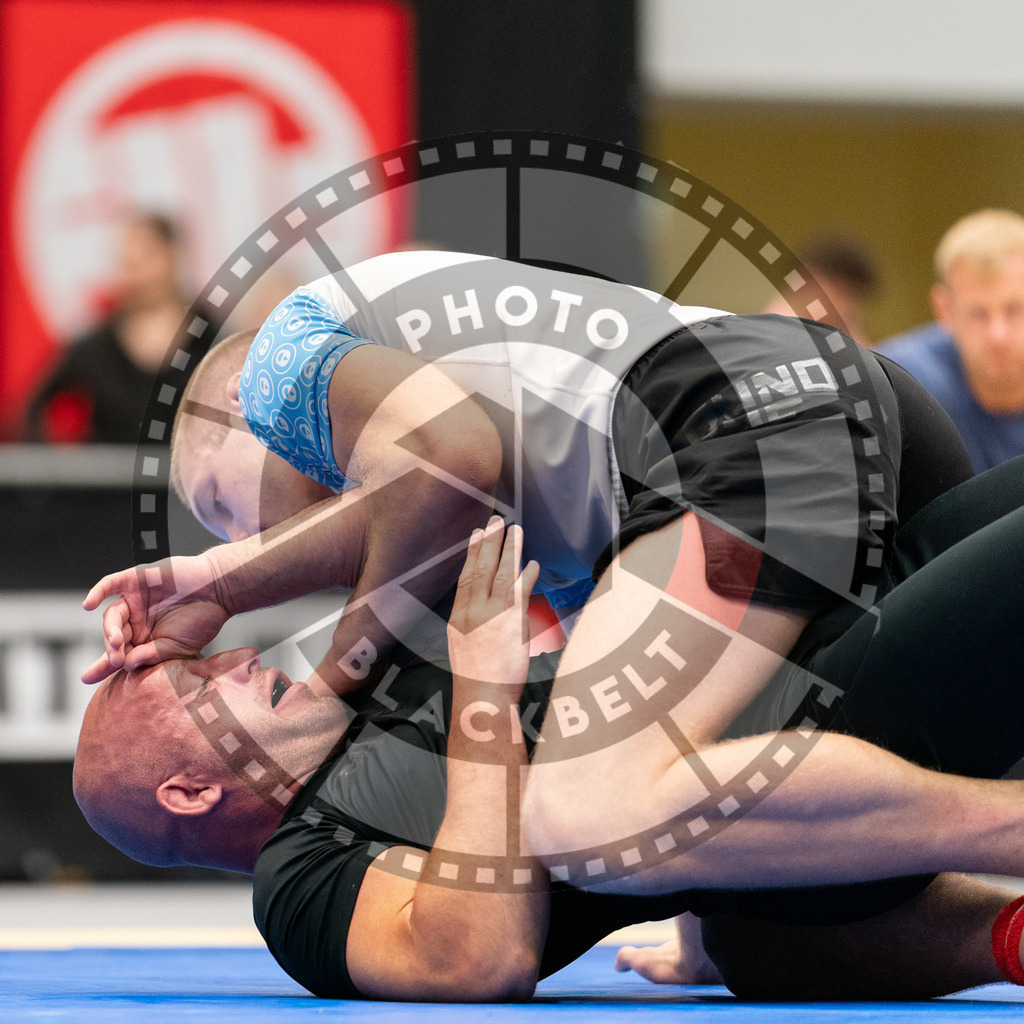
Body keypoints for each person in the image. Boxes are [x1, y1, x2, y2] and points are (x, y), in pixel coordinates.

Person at [86, 251, 1017, 958]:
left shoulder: (284, 369)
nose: (230, 533)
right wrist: (700, 908)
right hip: (829, 408)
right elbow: (442, 491)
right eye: (217, 525)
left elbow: (443, 463)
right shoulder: (510, 475)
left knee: (588, 811)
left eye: (217, 503)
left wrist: (292, 629)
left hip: (746, 427)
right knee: (763, 938)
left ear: (247, 414)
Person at [75, 514, 1024, 1001]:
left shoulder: (361, 695)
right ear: (192, 787)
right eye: (210, 686)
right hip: (828, 715)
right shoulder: (300, 876)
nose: (242, 659)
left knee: (751, 942)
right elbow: (474, 962)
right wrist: (484, 690)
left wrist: (215, 582)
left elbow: (410, 494)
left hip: (794, 620)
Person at [25, 212, 196, 443]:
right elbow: (32, 406)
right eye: (127, 265)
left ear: (172, 256)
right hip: (111, 479)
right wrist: (54, 469)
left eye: (146, 260)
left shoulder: (212, 340)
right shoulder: (97, 347)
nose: (136, 276)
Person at [879, 209, 1024, 472]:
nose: (998, 336)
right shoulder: (899, 380)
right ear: (944, 310)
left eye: (1015, 309)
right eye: (978, 314)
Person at [763, 232, 880, 346]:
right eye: (841, 292)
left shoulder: (836, 333)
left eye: (855, 297)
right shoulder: (777, 332)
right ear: (808, 279)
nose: (848, 307)